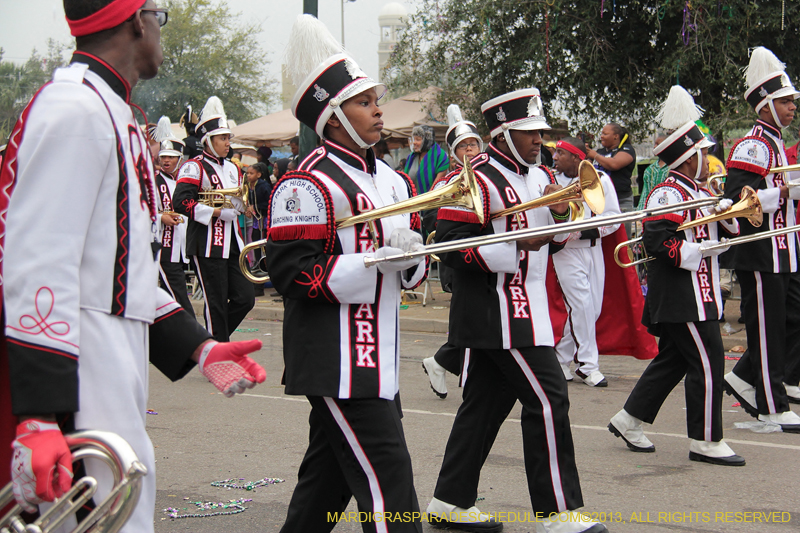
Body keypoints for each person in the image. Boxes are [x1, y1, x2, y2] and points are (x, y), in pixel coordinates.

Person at [0, 1, 267, 530]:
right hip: (80, 364)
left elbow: (125, 269)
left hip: (112, 356)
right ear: (134, 20)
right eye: (158, 15)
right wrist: (38, 415)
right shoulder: (74, 109)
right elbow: (37, 264)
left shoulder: (112, 111)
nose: (159, 30)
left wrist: (199, 343)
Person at [266, 15, 428, 533]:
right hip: (337, 363)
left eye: (375, 99)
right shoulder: (304, 182)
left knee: (326, 486)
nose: (379, 110)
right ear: (334, 116)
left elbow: (411, 274)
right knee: (392, 492)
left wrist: (413, 258)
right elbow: (294, 274)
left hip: (378, 360)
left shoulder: (394, 180)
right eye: (364, 102)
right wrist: (379, 260)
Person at [426, 88, 607, 533]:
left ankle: (449, 501)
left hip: (528, 308)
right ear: (503, 133)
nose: (538, 141)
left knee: (484, 406)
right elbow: (448, 241)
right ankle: (559, 512)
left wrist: (561, 214)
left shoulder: (540, 175)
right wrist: (511, 244)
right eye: (528, 132)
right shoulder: (475, 177)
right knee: (549, 397)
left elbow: (558, 240)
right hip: (496, 309)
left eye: (541, 133)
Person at [608, 85, 745, 466]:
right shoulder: (667, 194)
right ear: (687, 159)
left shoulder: (699, 190)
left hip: (698, 292)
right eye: (703, 153)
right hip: (680, 296)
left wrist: (729, 215)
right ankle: (705, 440)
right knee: (708, 361)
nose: (709, 158)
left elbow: (726, 235)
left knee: (673, 361)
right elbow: (657, 242)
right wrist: (698, 250)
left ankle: (629, 418)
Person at [722, 47, 800, 426]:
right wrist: (783, 193)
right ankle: (773, 406)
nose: (792, 108)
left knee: (790, 319)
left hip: (784, 249)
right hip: (762, 249)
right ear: (766, 104)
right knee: (767, 329)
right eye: (785, 102)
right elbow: (736, 198)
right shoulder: (755, 144)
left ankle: (742, 377)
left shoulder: (775, 144)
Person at [173, 96, 255, 342]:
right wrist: (217, 212)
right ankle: (219, 349)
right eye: (223, 138)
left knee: (245, 298)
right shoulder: (193, 167)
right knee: (215, 301)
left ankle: (208, 341)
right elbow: (181, 202)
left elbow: (239, 198)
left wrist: (240, 206)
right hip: (206, 243)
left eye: (228, 138)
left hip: (232, 243)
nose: (228, 143)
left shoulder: (233, 168)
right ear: (208, 141)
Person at [421, 103, 484, 399]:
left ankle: (441, 362)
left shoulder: (487, 175)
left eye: (473, 143)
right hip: (458, 257)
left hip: (483, 255)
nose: (470, 149)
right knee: (468, 318)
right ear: (453, 153)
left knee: (475, 319)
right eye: (463, 146)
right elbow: (435, 220)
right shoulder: (447, 180)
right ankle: (446, 364)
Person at [552, 137, 621, 387]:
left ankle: (560, 359)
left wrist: (582, 231)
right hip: (565, 251)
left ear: (576, 157)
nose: (555, 157)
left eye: (560, 153)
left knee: (592, 310)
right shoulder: (551, 182)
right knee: (580, 305)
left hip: (593, 249)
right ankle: (588, 366)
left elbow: (614, 217)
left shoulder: (601, 179)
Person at [152, 115, 192, 314]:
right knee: (179, 300)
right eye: (163, 157)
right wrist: (161, 217)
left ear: (180, 159)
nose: (166, 161)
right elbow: (142, 211)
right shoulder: (153, 182)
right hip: (163, 248)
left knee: (173, 299)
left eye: (171, 157)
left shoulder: (184, 181)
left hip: (180, 250)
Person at [587, 123, 636, 235]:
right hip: (600, 202)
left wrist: (594, 155)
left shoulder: (626, 150)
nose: (602, 136)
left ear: (616, 136)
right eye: (601, 133)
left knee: (622, 238)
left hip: (621, 201)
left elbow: (614, 164)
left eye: (605, 133)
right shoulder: (600, 152)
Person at [244, 161, 272, 284]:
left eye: (251, 173)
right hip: (256, 220)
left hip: (264, 220)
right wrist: (248, 209)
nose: (248, 176)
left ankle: (266, 267)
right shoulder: (247, 186)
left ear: (259, 175)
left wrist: (255, 207)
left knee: (264, 244)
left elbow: (270, 202)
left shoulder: (264, 186)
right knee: (255, 242)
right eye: (247, 173)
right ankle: (256, 265)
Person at [403, 125, 449, 194]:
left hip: (433, 200)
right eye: (414, 139)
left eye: (418, 139)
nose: (414, 142)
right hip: (413, 200)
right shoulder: (411, 158)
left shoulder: (440, 156)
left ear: (427, 141)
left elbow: (437, 186)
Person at [636, 135, 669, 210]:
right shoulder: (650, 170)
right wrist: (640, 212)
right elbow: (645, 193)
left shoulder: (673, 167)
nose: (654, 146)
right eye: (655, 144)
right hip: (652, 209)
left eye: (658, 144)